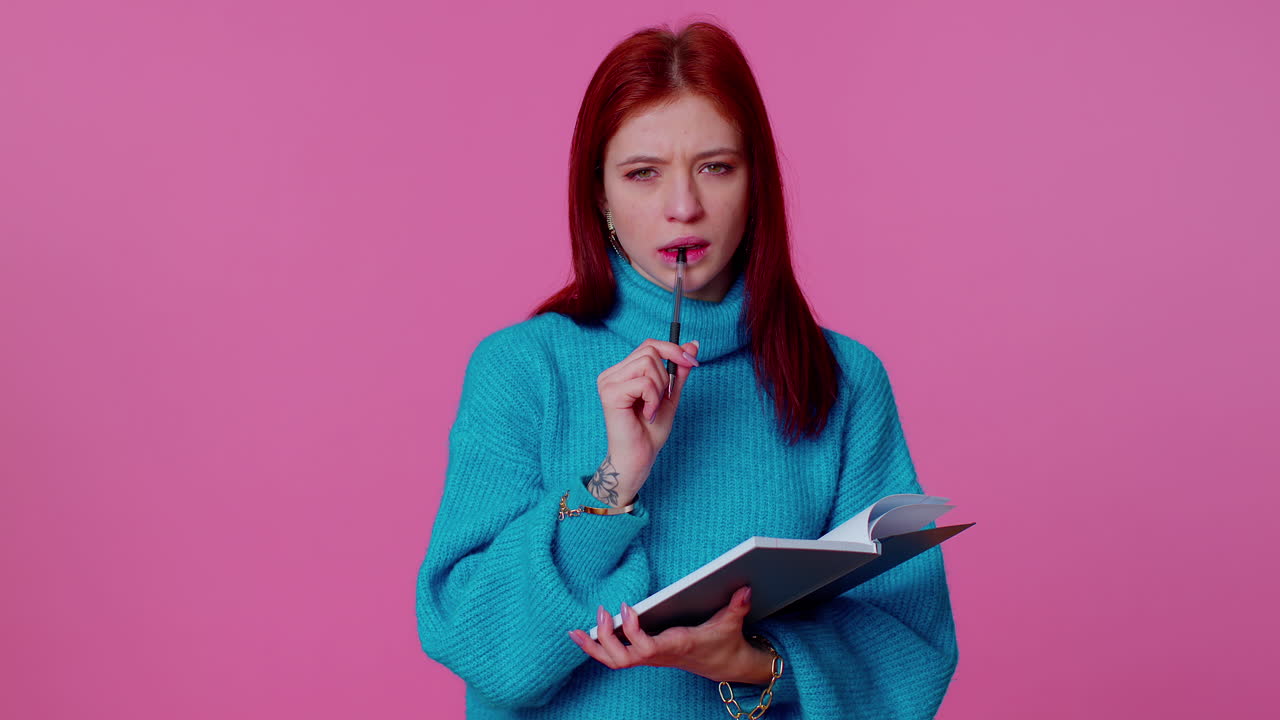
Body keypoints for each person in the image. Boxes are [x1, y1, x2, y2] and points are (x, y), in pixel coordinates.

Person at [415, 19, 959, 719]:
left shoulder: (844, 380)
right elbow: (485, 653)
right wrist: (612, 486)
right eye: (644, 173)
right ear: (601, 198)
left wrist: (755, 664)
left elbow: (913, 651)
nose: (684, 208)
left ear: (755, 182)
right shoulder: (521, 369)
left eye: (716, 167)